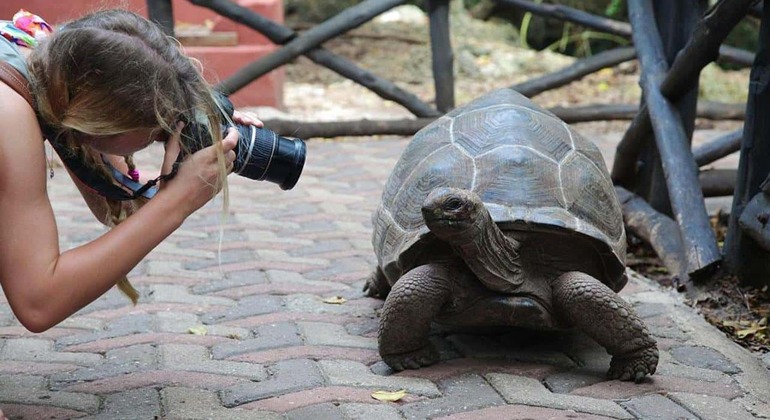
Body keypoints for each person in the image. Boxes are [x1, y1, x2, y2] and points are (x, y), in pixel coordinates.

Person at [0, 8, 263, 333]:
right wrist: (177, 201)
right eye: (155, 128)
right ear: (103, 117)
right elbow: (38, 301)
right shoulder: (7, 113)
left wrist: (198, 123)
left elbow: (119, 206)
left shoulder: (45, 51)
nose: (160, 131)